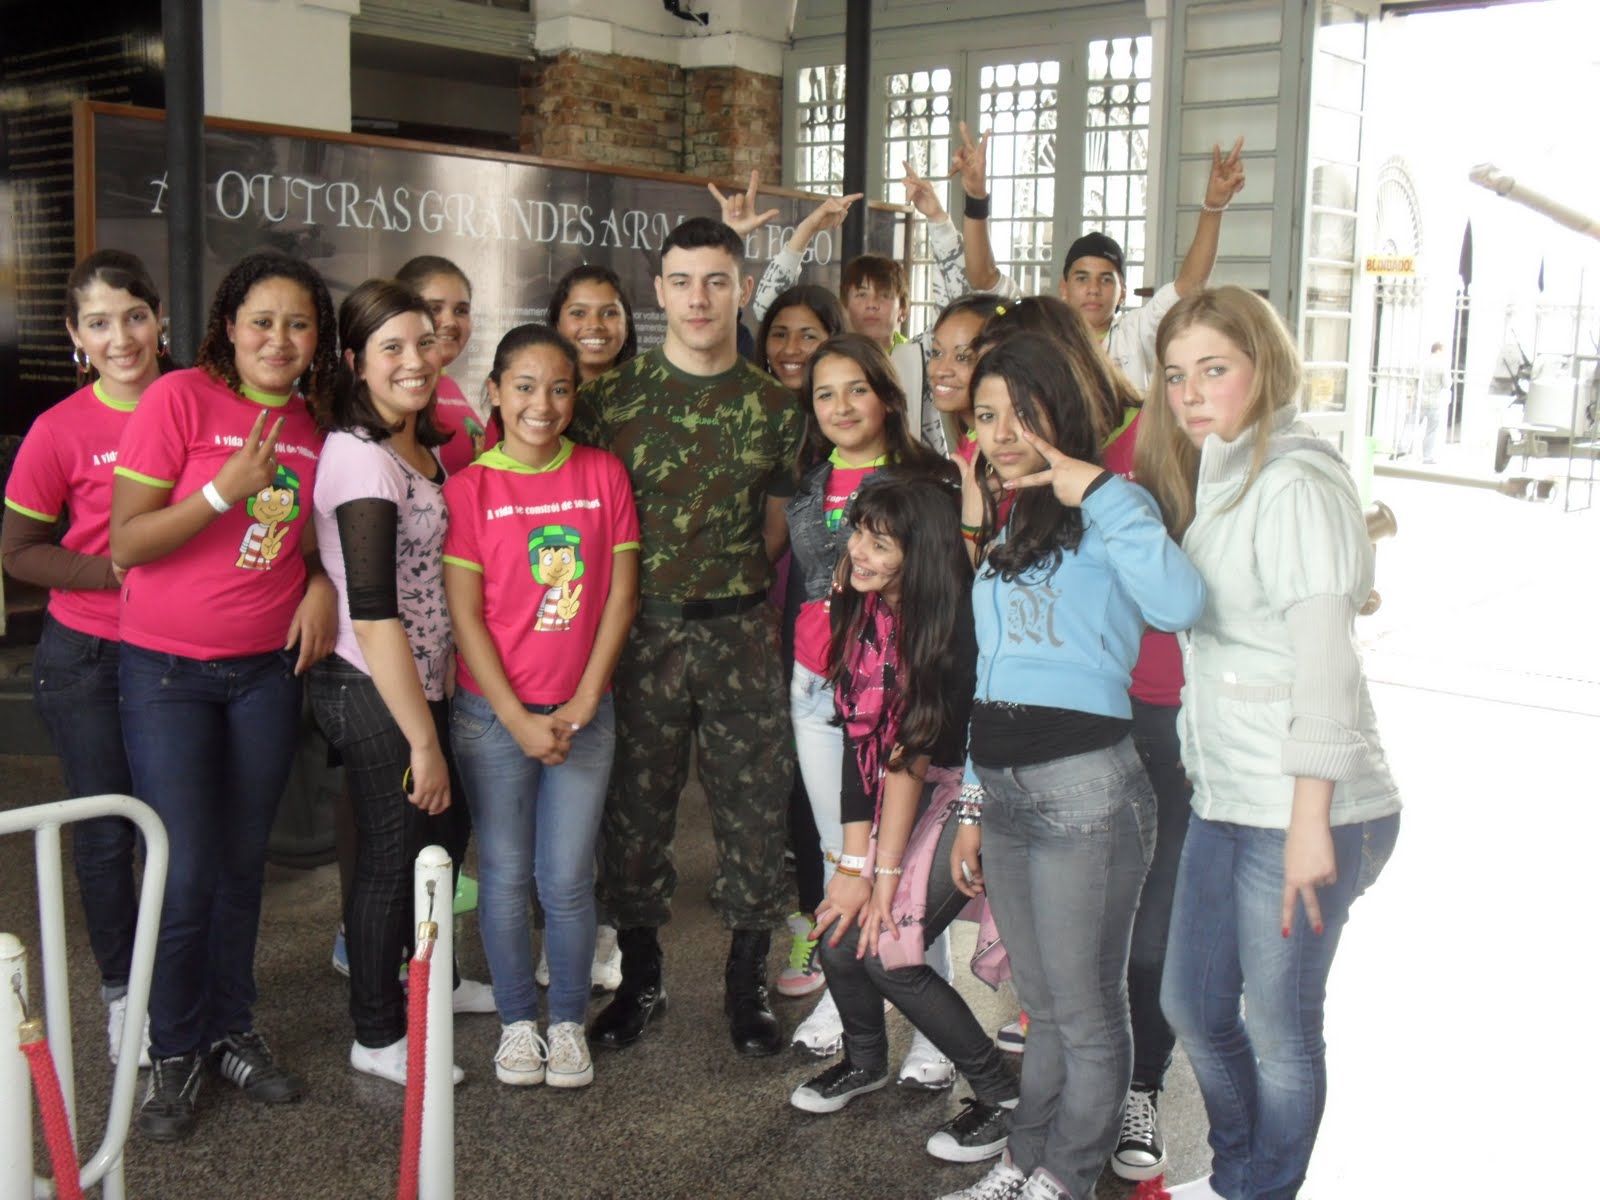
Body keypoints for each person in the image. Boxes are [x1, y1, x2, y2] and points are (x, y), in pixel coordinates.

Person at [1133, 286, 1402, 1200]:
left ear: (1265, 367)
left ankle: (1259, 1187)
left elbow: (1326, 663)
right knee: (1192, 1005)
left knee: (1282, 1030)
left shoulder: (1292, 482)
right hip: (1229, 797)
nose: (1191, 393)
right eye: (1176, 375)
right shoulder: (1226, 474)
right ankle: (1242, 1174)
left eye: (1214, 369)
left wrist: (1310, 822)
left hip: (1305, 807)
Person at [939, 331, 1205, 1200]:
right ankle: (1024, 1160)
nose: (1001, 433)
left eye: (1020, 412)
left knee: (1088, 1012)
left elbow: (1180, 603)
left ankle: (1067, 1175)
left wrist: (1100, 491)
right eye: (986, 417)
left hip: (1088, 794)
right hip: (1006, 792)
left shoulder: (1117, 506)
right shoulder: (1010, 520)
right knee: (1045, 1008)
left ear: (1062, 408)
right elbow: (990, 673)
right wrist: (971, 802)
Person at [109, 251, 340, 1141]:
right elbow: (128, 543)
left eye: (298, 324)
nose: (278, 340)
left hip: (263, 674)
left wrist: (316, 583)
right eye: (262, 322)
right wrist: (218, 491)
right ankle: (173, 1047)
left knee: (244, 864)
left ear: (317, 338)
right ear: (229, 327)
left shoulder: (316, 422)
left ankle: (230, 1028)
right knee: (185, 866)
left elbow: (309, 538)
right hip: (168, 673)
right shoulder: (179, 400)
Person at [570, 217, 802, 1057]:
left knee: (754, 818)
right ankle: (641, 979)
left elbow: (776, 525)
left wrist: (727, 582)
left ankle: (746, 985)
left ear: (742, 289)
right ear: (659, 292)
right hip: (640, 636)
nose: (699, 299)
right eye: (682, 282)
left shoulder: (776, 407)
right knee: (633, 820)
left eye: (716, 281)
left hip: (740, 633)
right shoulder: (608, 402)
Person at [789, 468, 1023, 1167]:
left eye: (880, 543)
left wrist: (878, 876)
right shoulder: (863, 610)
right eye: (859, 532)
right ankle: (866, 1062)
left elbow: (906, 758)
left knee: (889, 948)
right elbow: (860, 744)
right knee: (839, 930)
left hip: (970, 790)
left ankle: (1000, 1096)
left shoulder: (947, 627)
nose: (857, 550)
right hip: (905, 783)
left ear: (917, 555)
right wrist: (850, 870)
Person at [444, 324, 638, 1090]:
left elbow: (619, 596)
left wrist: (585, 698)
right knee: (503, 875)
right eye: (524, 386)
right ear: (495, 391)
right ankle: (517, 1024)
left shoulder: (602, 474)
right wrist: (518, 718)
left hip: (585, 711)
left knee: (566, 880)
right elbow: (466, 617)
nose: (542, 404)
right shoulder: (470, 488)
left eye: (559, 388)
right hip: (494, 717)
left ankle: (566, 1024)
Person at [2, 249, 166, 1069]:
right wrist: (115, 571)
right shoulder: (59, 429)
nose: (121, 337)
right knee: (106, 836)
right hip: (88, 655)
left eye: (134, 315)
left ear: (160, 319)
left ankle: (181, 988)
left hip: (181, 652)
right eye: (99, 323)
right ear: (76, 336)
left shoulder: (196, 404)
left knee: (178, 827)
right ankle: (123, 996)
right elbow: (20, 552)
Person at [782, 335, 959, 1088]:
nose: (841, 406)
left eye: (856, 389)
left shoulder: (925, 480)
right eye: (825, 394)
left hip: (900, 686)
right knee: (840, 851)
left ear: (886, 395)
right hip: (817, 682)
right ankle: (846, 990)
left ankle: (929, 1017)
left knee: (906, 859)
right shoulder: (808, 483)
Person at [307, 278, 469, 1088]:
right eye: (392, 347)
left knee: (442, 841)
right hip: (371, 683)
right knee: (389, 856)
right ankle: (375, 1034)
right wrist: (422, 741)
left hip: (423, 678)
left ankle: (429, 983)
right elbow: (372, 614)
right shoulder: (362, 459)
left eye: (423, 342)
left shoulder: (415, 444)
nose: (415, 360)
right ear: (354, 361)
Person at [951, 121, 1245, 391]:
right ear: (1063, 288)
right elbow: (983, 277)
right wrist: (976, 198)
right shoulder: (1040, 327)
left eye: (1106, 279)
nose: (1093, 289)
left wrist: (1214, 205)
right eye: (1082, 278)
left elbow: (1190, 284)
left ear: (1122, 292)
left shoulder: (1136, 331)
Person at [752, 282, 847, 1000]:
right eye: (779, 333)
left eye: (808, 334)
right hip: (777, 623)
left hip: (848, 638)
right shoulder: (760, 418)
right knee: (793, 785)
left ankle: (852, 931)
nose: (791, 348)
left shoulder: (843, 426)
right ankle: (812, 921)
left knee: (851, 790)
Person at [396, 255, 487, 476]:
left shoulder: (448, 384)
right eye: (434, 308)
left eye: (461, 311)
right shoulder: (396, 391)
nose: (450, 322)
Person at [549, 263, 639, 385]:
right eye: (579, 313)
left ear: (627, 326)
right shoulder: (539, 393)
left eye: (609, 313)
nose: (595, 325)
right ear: (557, 325)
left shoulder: (652, 391)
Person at [1419, 340, 1450, 463]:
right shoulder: (1442, 365)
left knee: (1411, 425)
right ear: (1439, 350)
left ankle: (1402, 449)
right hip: (1434, 402)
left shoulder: (1422, 363)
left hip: (1419, 401)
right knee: (1431, 430)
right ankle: (1427, 456)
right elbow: (1447, 384)